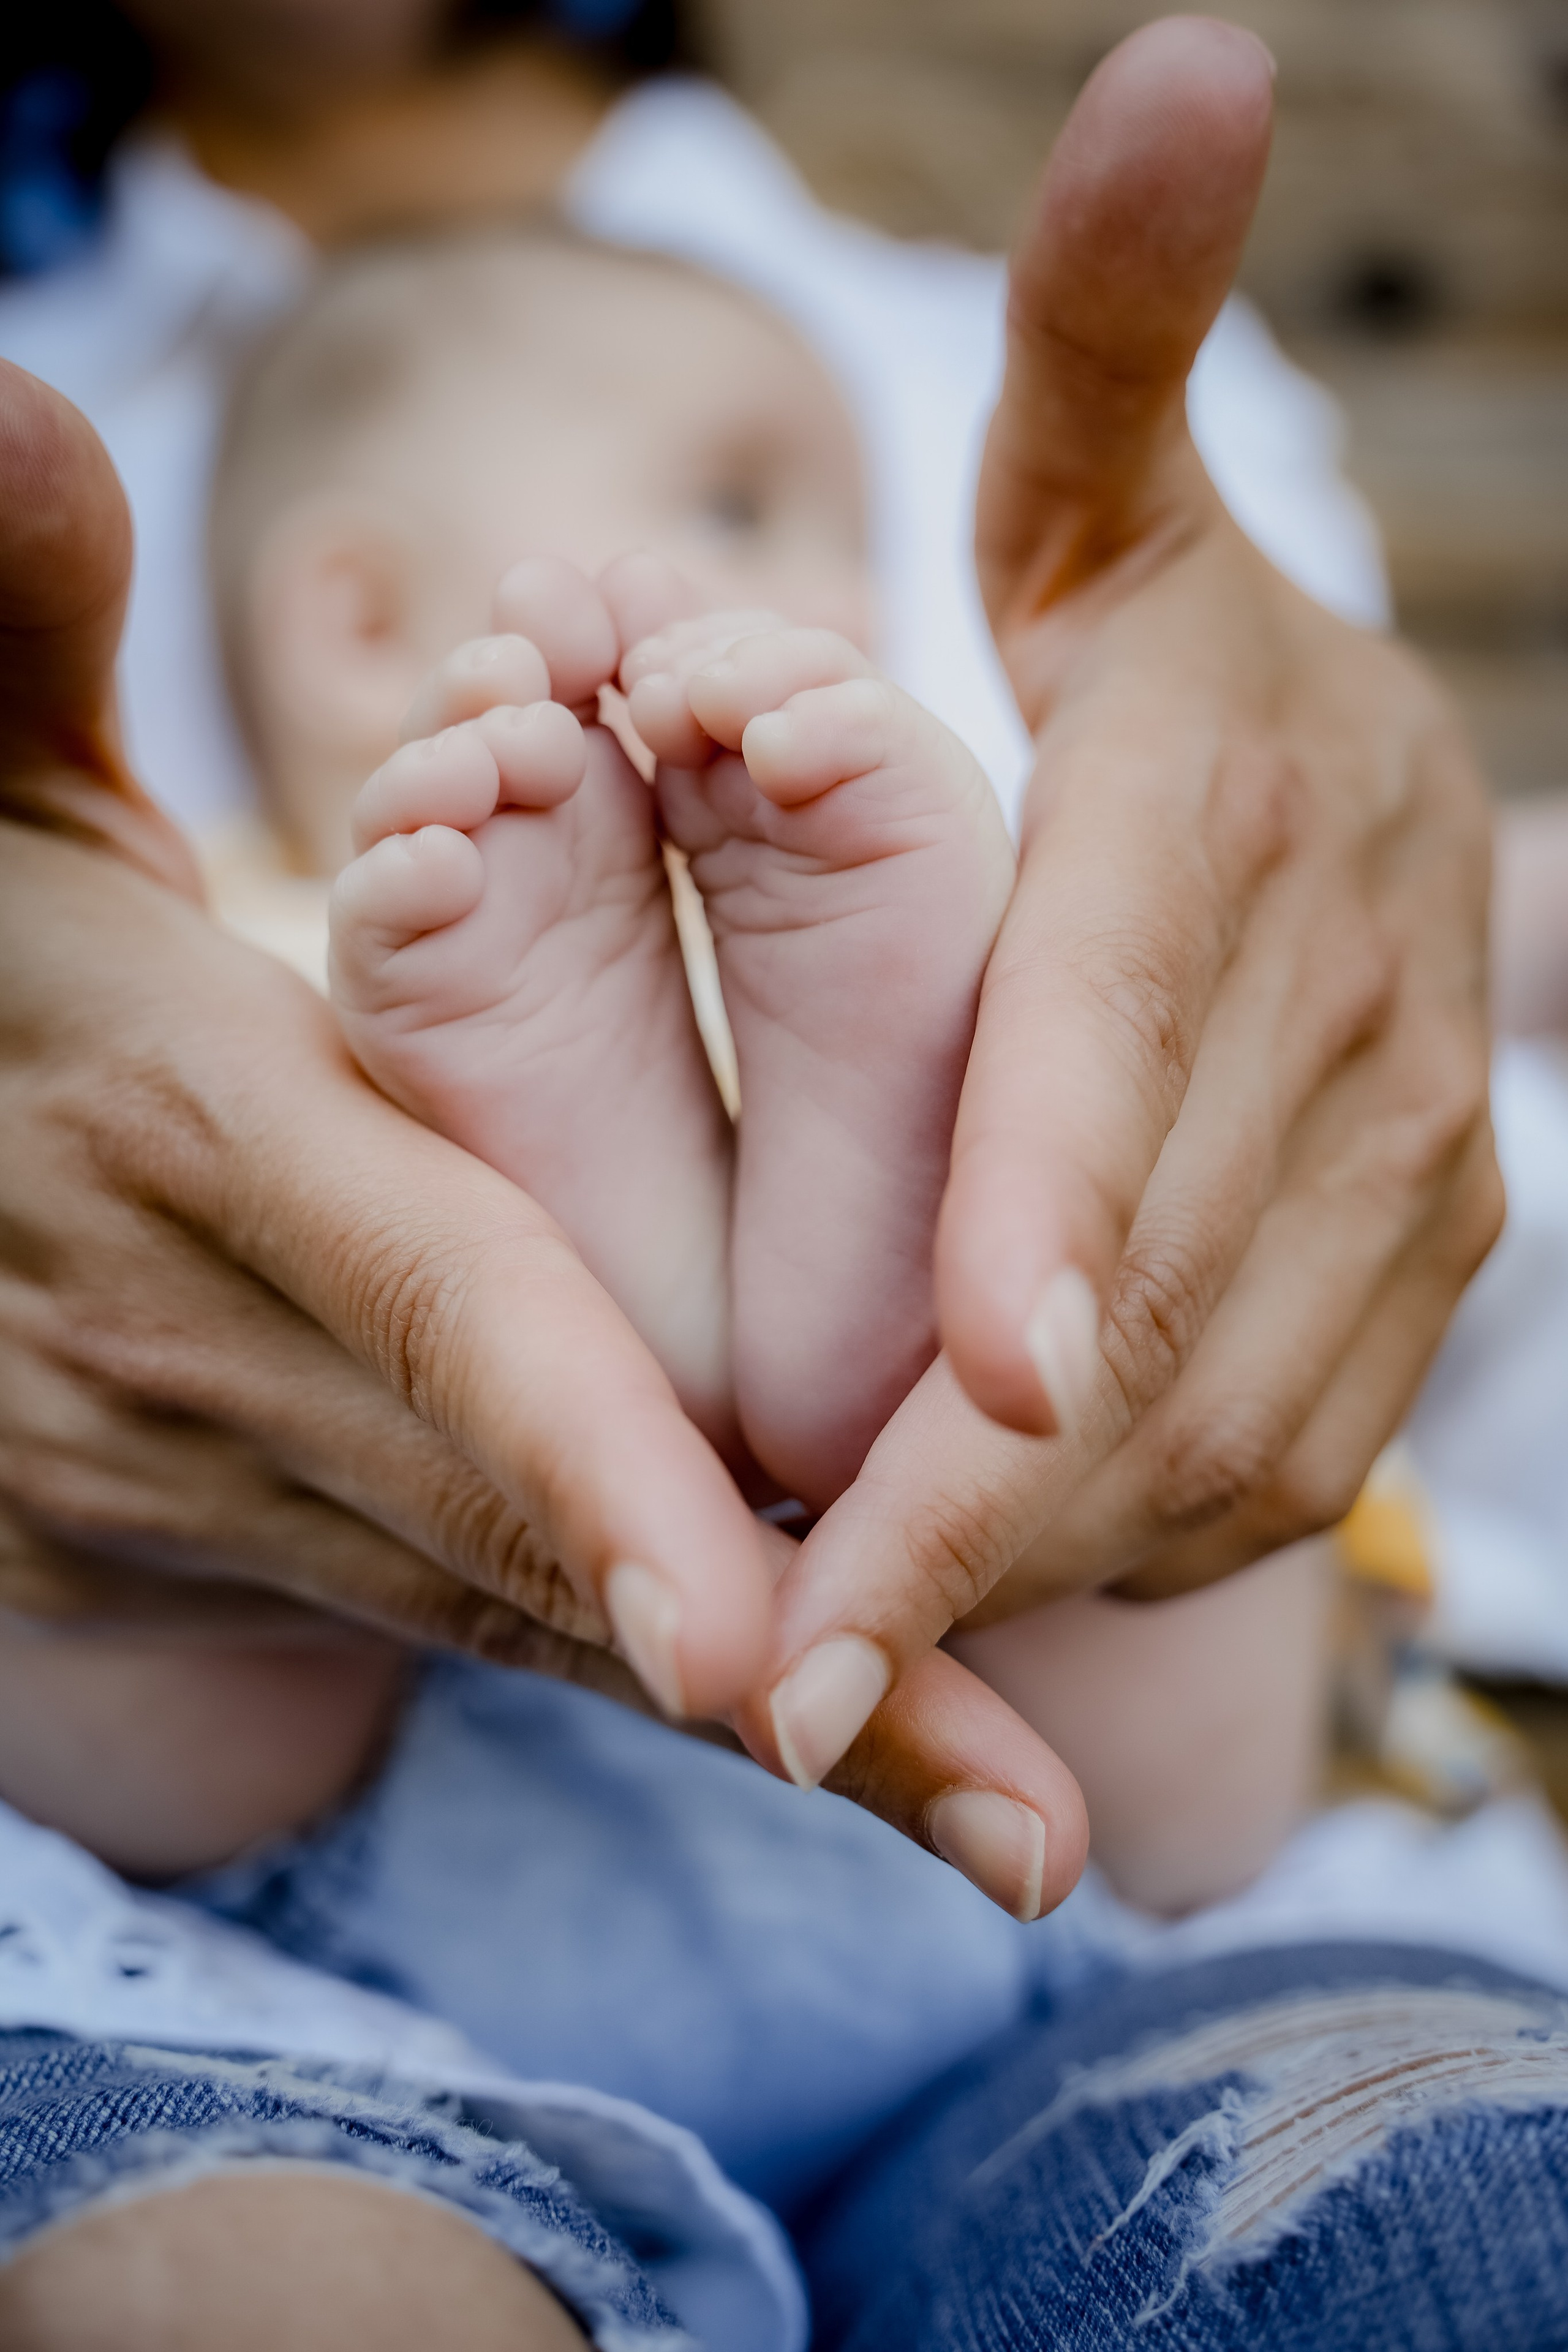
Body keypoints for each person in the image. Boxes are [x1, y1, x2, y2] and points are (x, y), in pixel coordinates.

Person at [0, 13, 1527, 2347]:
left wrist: (1433, 898)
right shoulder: (190, 936)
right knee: (160, 1440)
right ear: (355, 622)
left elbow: (1424, 963)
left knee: (1115, 1232)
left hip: (998, 1846)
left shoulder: (933, 369)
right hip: (292, 1903)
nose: (839, 590)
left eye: (835, 528)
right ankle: (756, 1286)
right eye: (740, 515)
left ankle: (783, 1287)